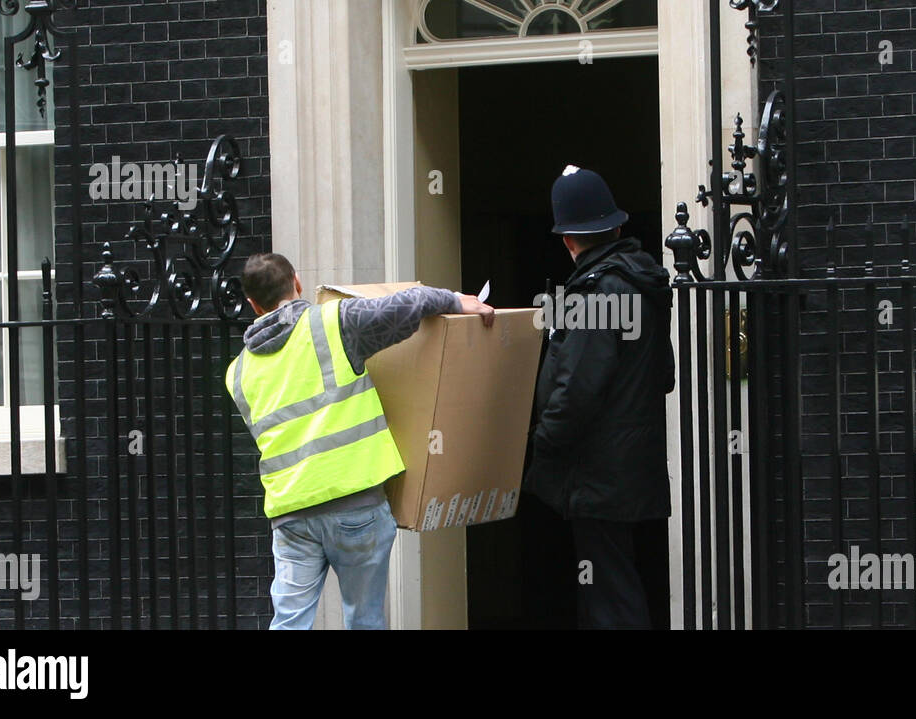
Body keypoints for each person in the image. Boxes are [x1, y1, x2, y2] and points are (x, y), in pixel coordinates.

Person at [226, 252, 493, 629]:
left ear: (253, 304)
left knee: (288, 621)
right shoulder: (334, 323)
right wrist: (458, 301)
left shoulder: (237, 372)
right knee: (364, 619)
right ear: (297, 283)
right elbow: (408, 304)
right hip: (355, 507)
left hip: (291, 515)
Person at [524, 165, 675, 629]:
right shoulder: (644, 284)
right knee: (620, 582)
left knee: (609, 595)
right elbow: (663, 376)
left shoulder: (594, 294)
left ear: (568, 241)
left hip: (598, 474)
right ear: (617, 227)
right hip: (634, 465)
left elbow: (576, 391)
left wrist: (540, 444)